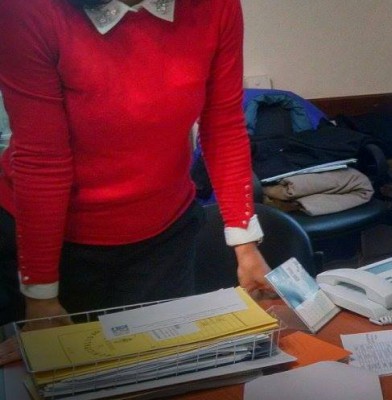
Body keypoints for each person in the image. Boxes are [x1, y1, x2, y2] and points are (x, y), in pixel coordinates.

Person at [0, 0, 273, 365]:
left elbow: (223, 126)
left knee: (168, 370)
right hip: (53, 241)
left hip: (164, 236)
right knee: (62, 373)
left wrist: (245, 245)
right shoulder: (27, 10)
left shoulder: (215, 7)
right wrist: (40, 295)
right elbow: (42, 158)